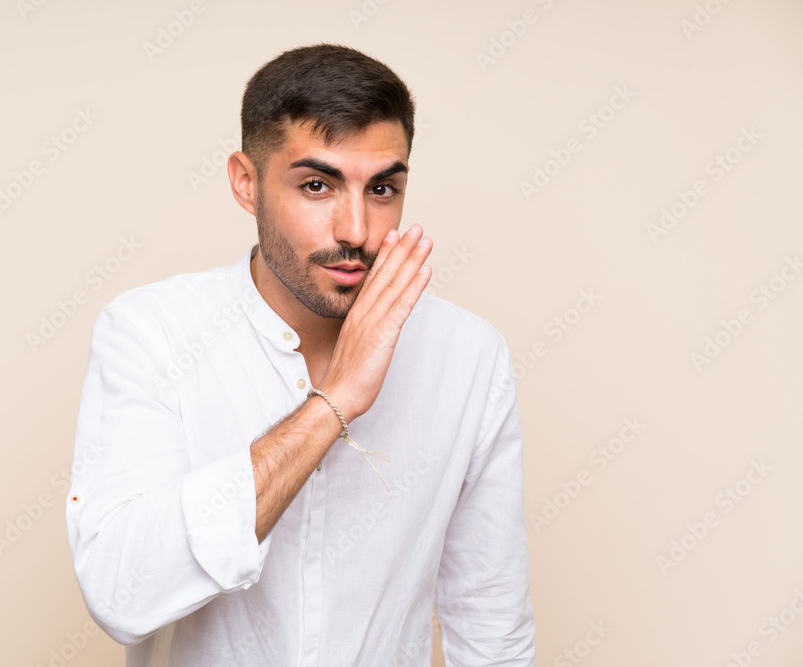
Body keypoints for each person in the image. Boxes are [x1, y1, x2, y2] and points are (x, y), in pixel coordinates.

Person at [65, 42, 536, 666]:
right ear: (245, 182)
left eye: (383, 189)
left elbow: (490, 619)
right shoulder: (151, 333)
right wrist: (334, 401)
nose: (356, 230)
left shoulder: (468, 355)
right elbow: (122, 595)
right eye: (317, 185)